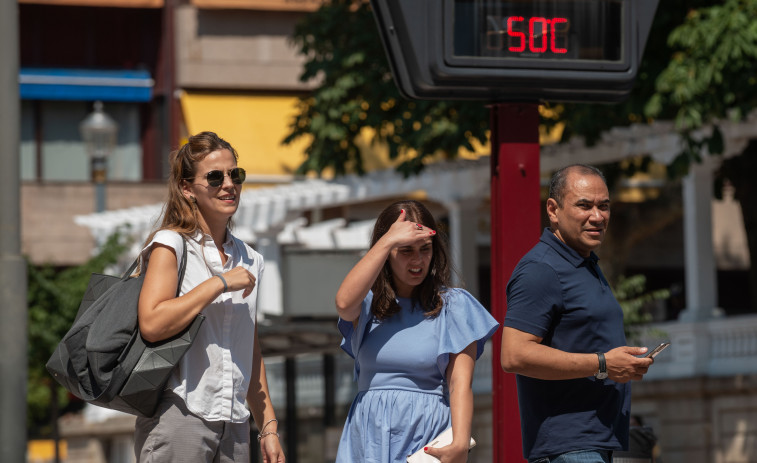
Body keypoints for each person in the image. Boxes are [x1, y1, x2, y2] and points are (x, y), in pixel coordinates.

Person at [133, 132, 285, 463]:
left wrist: (269, 427)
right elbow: (152, 323)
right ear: (188, 188)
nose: (229, 184)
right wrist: (218, 283)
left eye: (235, 174)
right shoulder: (171, 244)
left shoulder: (250, 258)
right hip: (179, 411)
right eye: (215, 177)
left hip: (235, 423)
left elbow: (251, 350)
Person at [500, 164, 654, 463]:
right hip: (569, 448)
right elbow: (514, 355)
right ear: (553, 210)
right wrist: (603, 364)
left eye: (604, 206)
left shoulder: (585, 264)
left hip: (596, 443)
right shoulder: (541, 269)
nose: (597, 216)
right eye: (584, 205)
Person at [334, 199, 499, 463]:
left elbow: (460, 383)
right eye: (406, 250)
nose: (418, 260)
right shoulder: (367, 303)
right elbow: (343, 304)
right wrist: (388, 240)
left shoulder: (454, 305)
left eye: (425, 249)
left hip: (426, 433)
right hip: (368, 435)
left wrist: (459, 442)